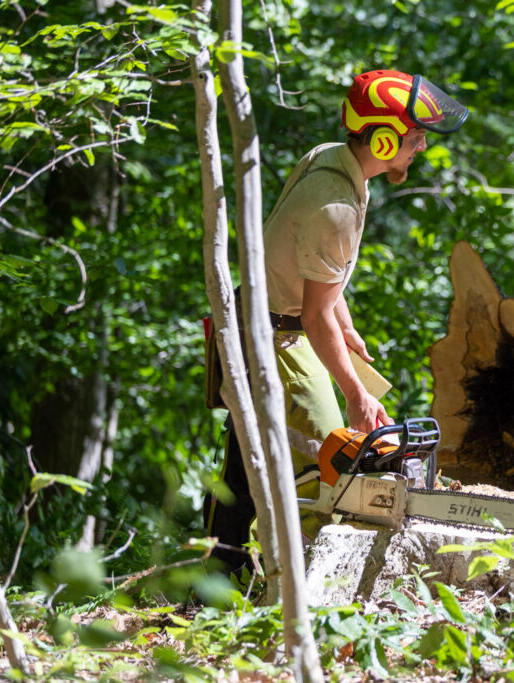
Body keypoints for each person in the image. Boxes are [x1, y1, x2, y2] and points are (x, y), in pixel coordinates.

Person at [205, 70, 469, 573]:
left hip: (264, 319)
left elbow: (316, 281)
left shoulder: (333, 162)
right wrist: (354, 393)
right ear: (384, 137)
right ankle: (304, 593)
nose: (421, 148)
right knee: (333, 467)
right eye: (415, 137)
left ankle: (213, 586)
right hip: (274, 335)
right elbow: (313, 312)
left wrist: (343, 325)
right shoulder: (336, 208)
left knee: (242, 469)